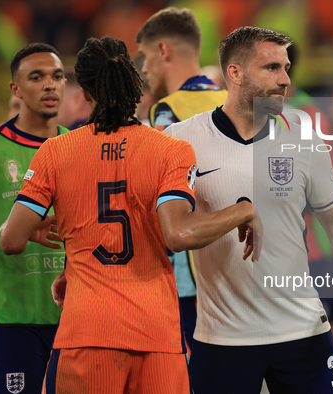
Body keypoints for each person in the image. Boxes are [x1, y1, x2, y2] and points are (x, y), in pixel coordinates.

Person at [0, 36, 258, 394]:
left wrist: (69, 253)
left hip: (86, 332)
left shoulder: (55, 152)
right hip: (157, 335)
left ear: (85, 93)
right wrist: (243, 210)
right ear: (135, 83)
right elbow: (177, 234)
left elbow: (10, 240)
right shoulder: (171, 150)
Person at [164, 26, 333, 394]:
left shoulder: (303, 132)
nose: (285, 80)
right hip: (222, 338)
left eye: (286, 67)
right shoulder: (183, 140)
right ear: (235, 73)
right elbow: (173, 229)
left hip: (303, 331)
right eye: (272, 69)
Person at [0, 43, 68, 394]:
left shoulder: (80, 148)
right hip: (11, 318)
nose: (49, 85)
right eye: (36, 77)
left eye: (57, 76)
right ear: (15, 89)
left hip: (76, 318)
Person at [136, 6, 228, 352]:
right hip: (240, 262)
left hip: (193, 274)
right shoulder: (237, 102)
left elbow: (158, 188)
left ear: (163, 50)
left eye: (145, 56)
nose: (144, 69)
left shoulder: (168, 111)